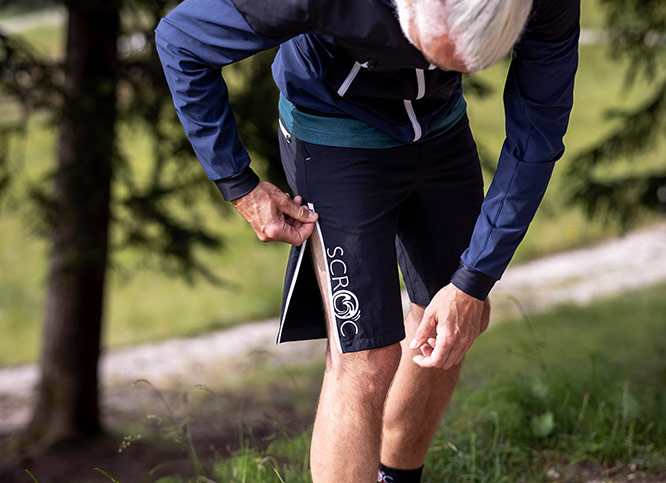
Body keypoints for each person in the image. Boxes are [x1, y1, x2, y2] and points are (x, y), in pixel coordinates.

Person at [155, 0, 580, 481]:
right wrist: (238, 183)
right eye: (430, 51)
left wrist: (474, 280)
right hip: (333, 132)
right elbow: (181, 40)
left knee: (448, 329)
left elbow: (537, 137)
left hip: (440, 125)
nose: (437, 66)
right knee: (366, 358)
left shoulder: (545, 3)